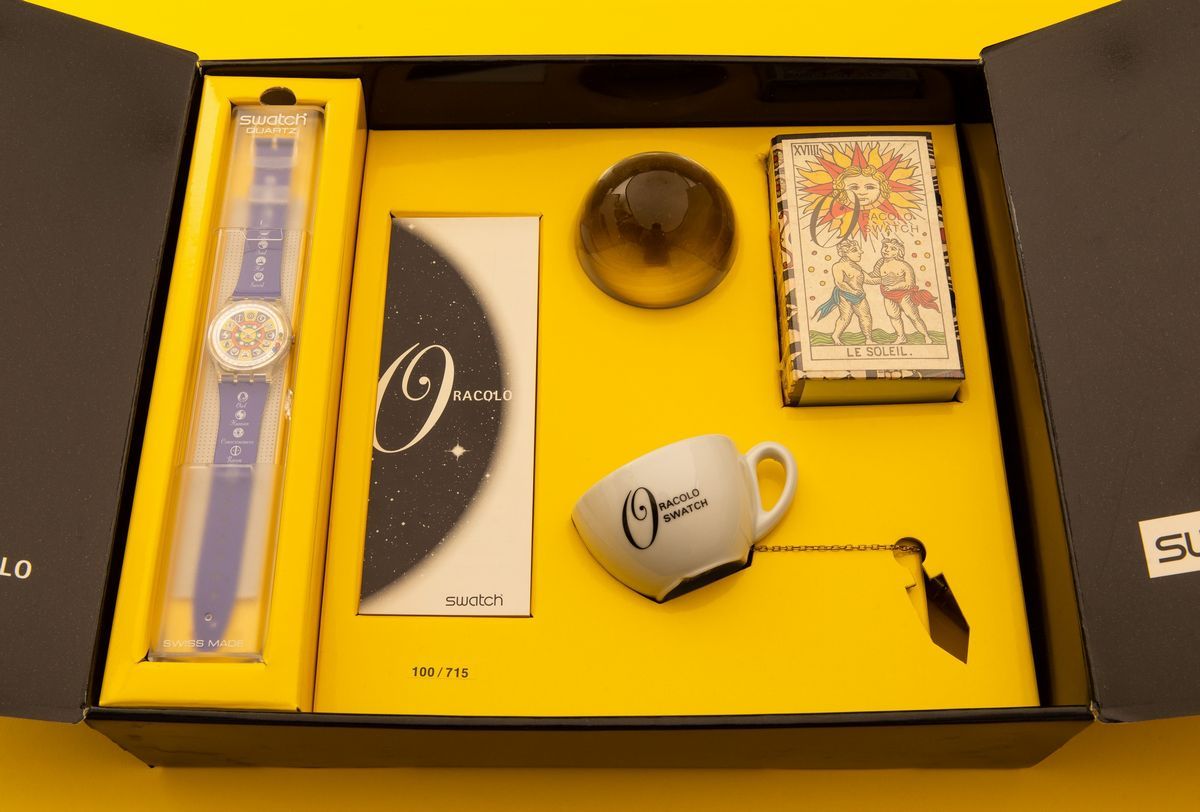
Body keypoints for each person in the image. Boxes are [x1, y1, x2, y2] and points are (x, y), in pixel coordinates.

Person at [873, 237, 939, 344]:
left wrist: (894, 287)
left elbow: (909, 284)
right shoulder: (880, 263)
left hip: (904, 294)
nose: (887, 250)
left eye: (892, 248)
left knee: (913, 316)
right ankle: (901, 337)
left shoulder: (904, 266)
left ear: (898, 252)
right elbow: (874, 277)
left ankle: (926, 336)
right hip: (888, 295)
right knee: (893, 316)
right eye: (885, 246)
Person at [812, 239, 874, 345]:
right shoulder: (838, 266)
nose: (860, 252)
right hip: (845, 295)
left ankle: (868, 339)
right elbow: (839, 283)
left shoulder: (857, 267)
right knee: (845, 317)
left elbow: (869, 279)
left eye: (859, 249)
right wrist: (852, 291)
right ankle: (835, 336)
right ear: (844, 253)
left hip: (859, 296)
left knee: (866, 316)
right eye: (855, 250)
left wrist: (885, 279)